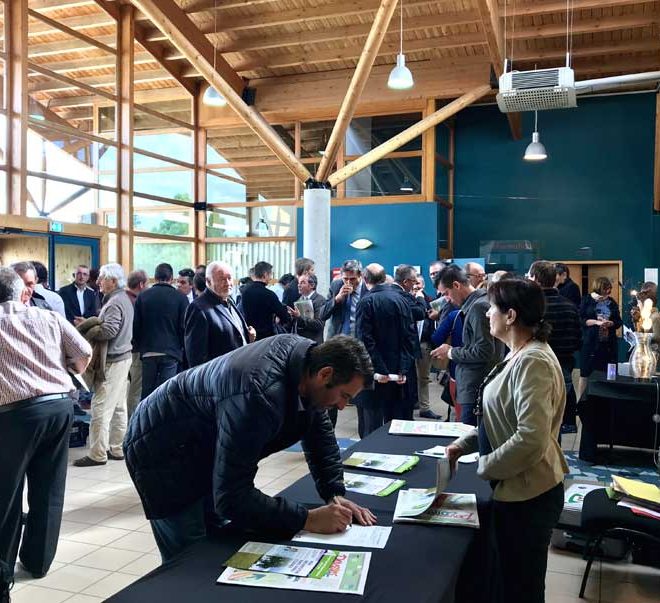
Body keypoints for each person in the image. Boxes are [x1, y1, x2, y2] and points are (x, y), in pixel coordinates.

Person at [124, 334, 376, 561]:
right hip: (161, 451)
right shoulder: (259, 393)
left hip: (200, 442)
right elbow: (232, 496)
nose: (343, 407)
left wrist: (334, 494)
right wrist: (307, 519)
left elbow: (319, 434)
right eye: (345, 396)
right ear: (325, 374)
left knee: (219, 543)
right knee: (192, 561)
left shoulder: (309, 368)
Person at [446, 278, 568, 603]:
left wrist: (484, 466)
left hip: (530, 495)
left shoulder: (533, 362)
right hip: (517, 488)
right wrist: (465, 444)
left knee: (521, 587)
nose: (488, 315)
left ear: (511, 316)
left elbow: (530, 438)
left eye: (493, 309)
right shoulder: (520, 354)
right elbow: (501, 418)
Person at [0, 267, 92, 600]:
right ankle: (38, 562)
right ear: (19, 292)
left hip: (14, 415)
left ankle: (3, 569)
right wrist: (60, 369)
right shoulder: (48, 317)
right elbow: (83, 353)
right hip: (59, 407)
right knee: (49, 488)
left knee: (6, 495)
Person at [74, 263, 135, 467]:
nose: (98, 281)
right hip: (123, 359)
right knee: (118, 407)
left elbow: (109, 331)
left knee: (100, 408)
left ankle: (97, 454)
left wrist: (88, 330)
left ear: (113, 281)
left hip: (114, 361)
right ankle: (117, 448)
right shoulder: (123, 298)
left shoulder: (115, 302)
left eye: (102, 278)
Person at [431, 264, 505, 425]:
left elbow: (484, 351)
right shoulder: (479, 303)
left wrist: (450, 352)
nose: (447, 299)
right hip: (476, 386)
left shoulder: (478, 307)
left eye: (447, 294)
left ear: (457, 285)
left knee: (470, 442)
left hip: (476, 387)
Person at [356, 263, 415, 436]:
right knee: (394, 426)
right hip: (398, 373)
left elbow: (365, 340)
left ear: (365, 279)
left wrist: (379, 369)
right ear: (384, 278)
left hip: (375, 375)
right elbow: (409, 337)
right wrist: (403, 368)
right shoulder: (402, 300)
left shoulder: (365, 301)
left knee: (370, 427)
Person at [528, 261, 582, 434]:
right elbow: (578, 341)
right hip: (564, 366)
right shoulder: (570, 306)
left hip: (533, 370)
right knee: (555, 424)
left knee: (535, 423)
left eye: (529, 277)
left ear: (535, 279)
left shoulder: (530, 309)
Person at [133, 263, 189, 400]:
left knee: (147, 392)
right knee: (165, 393)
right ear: (171, 278)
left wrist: (139, 345)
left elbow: (136, 326)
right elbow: (184, 327)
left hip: (148, 350)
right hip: (171, 351)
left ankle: (145, 420)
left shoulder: (142, 296)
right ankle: (163, 421)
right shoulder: (181, 298)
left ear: (155, 277)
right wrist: (182, 348)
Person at [184, 261, 255, 367]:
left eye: (229, 278)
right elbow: (196, 357)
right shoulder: (199, 308)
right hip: (217, 377)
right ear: (208, 281)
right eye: (222, 279)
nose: (227, 283)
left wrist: (247, 336)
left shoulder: (229, 301)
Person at [578, 276, 622, 399]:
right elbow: (580, 319)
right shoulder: (587, 300)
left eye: (609, 289)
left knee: (609, 373)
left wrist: (611, 323)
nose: (608, 291)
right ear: (599, 287)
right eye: (606, 288)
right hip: (590, 342)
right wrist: (596, 322)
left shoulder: (612, 302)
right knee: (585, 373)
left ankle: (606, 402)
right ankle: (582, 401)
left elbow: (618, 321)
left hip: (608, 344)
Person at [240, 261, 290, 340]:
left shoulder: (245, 292)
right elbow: (284, 316)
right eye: (270, 274)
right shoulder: (269, 294)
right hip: (266, 337)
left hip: (250, 336)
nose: (271, 278)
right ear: (265, 274)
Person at [321, 259, 366, 338]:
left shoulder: (367, 289)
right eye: (345, 279)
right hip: (338, 338)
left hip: (359, 338)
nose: (348, 282)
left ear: (360, 276)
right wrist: (336, 299)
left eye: (352, 279)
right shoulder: (336, 286)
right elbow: (323, 315)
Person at [125, 270, 149, 417]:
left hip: (125, 352)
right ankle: (132, 423)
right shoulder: (136, 302)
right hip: (135, 351)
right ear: (141, 284)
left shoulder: (122, 298)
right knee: (135, 390)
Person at [288, 273, 325, 344]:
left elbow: (319, 324)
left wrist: (299, 317)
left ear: (312, 285)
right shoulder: (299, 300)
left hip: (313, 342)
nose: (299, 285)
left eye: (302, 283)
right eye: (299, 283)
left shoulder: (320, 300)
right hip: (300, 342)